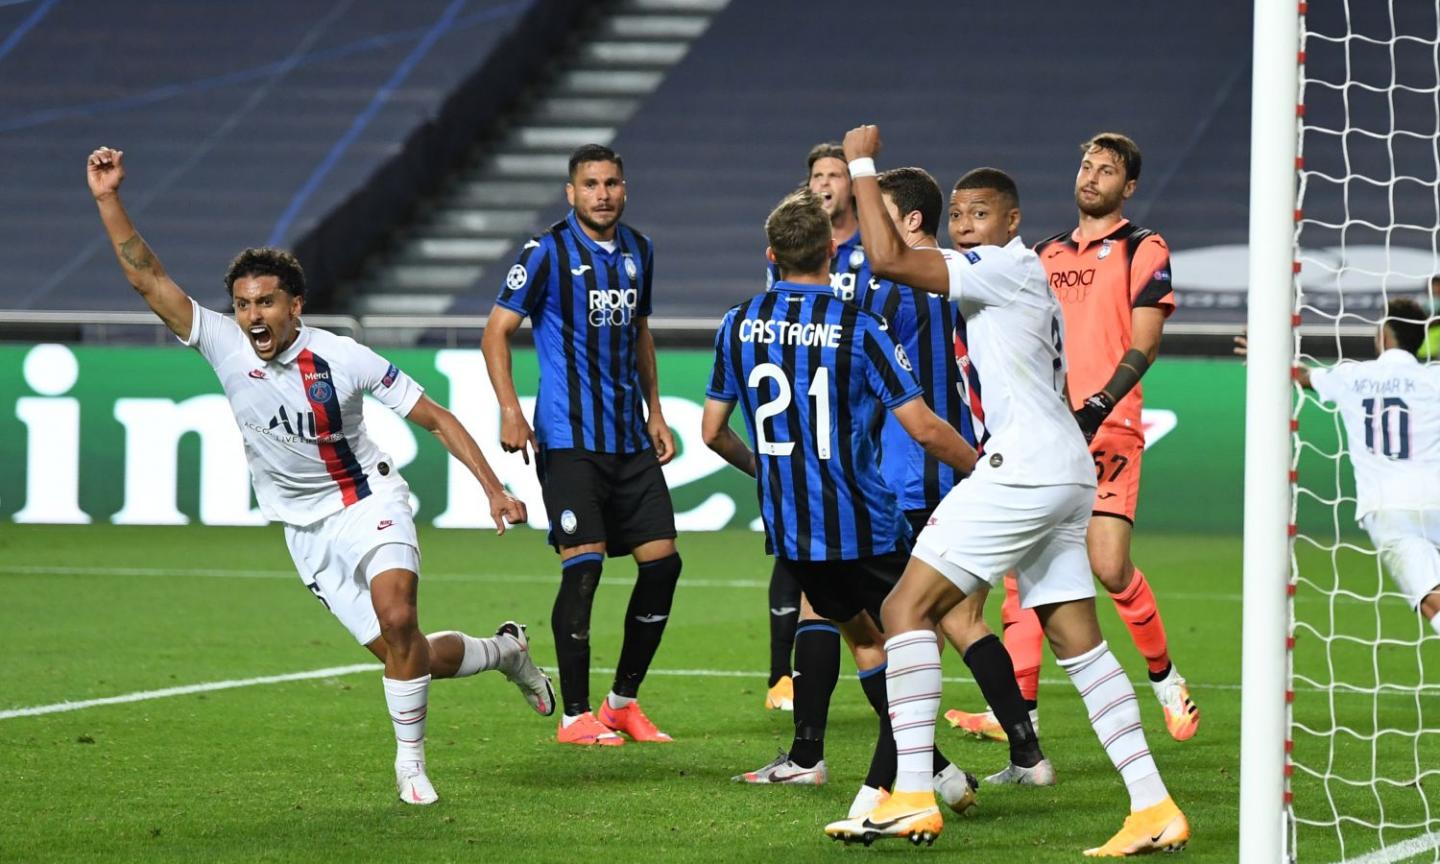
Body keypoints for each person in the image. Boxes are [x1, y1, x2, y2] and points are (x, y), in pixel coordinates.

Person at [86, 146, 554, 806]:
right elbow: (148, 280)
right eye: (244, 304)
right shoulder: (221, 343)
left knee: (398, 618)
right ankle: (507, 653)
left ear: (295, 305)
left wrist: (494, 488)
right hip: (304, 531)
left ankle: (410, 764)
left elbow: (436, 416)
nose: (253, 317)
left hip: (369, 499)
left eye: (266, 303)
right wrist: (108, 199)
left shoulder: (343, 357)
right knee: (407, 654)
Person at [823, 126, 1188, 855]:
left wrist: (860, 163)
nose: (964, 227)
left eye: (979, 214)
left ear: (1012, 221)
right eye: (958, 215)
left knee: (905, 607)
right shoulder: (1013, 270)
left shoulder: (1000, 266)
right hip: (1059, 467)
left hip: (1024, 464)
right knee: (1074, 638)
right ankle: (1152, 807)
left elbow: (890, 257)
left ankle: (913, 795)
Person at [704, 188, 979, 816]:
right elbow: (925, 428)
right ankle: (913, 781)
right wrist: (985, 469)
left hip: (792, 526)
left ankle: (919, 768)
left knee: (858, 636)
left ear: (770, 254)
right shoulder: (860, 325)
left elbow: (713, 432)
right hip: (866, 520)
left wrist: (768, 473)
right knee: (913, 639)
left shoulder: (736, 322)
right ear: (833, 249)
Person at [947, 132, 1199, 743]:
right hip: (1044, 431)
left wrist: (1101, 403)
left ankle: (1167, 681)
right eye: (1086, 165)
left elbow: (1146, 341)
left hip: (1107, 425)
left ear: (1128, 186)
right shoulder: (1042, 253)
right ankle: (1021, 715)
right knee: (1019, 569)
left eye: (1106, 170)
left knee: (1109, 568)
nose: (1091, 177)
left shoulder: (1144, 246)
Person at [482, 144, 682, 747]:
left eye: (612, 182)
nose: (602, 193)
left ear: (625, 188)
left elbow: (640, 333)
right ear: (571, 193)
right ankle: (574, 716)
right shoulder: (545, 252)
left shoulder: (640, 251)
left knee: (664, 565)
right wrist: (511, 409)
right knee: (586, 565)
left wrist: (656, 409)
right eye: (590, 184)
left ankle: (621, 702)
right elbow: (496, 332)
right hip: (569, 439)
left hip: (629, 438)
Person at [758, 142, 879, 712]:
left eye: (836, 173)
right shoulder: (790, 265)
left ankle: (815, 748)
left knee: (831, 592)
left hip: (858, 429)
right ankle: (785, 679)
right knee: (847, 603)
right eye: (818, 175)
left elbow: (713, 427)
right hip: (816, 432)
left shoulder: (874, 253)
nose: (828, 182)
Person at [1249, 300, 1440, 630]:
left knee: (1430, 599)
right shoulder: (1434, 378)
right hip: (1435, 498)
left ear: (1383, 335)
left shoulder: (1354, 376)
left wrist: (1265, 354)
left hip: (1387, 507)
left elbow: (1302, 376)